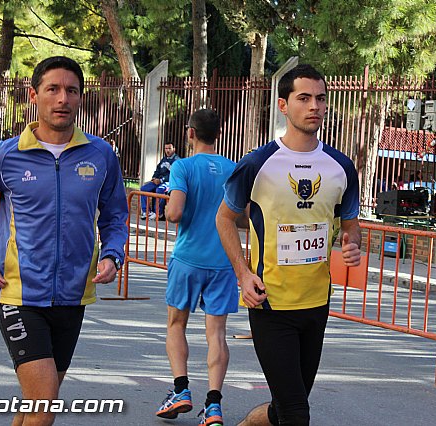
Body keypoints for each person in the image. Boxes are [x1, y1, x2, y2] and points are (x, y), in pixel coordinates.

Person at [0, 56, 128, 426]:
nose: (63, 98)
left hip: (74, 296)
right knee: (44, 404)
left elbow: (115, 215)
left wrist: (112, 254)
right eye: (53, 89)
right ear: (34, 95)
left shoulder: (101, 154)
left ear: (80, 98)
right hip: (19, 294)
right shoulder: (6, 155)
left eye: (71, 91)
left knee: (36, 404)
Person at [216, 64, 361, 425]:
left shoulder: (341, 167)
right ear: (283, 105)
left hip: (316, 304)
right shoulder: (257, 163)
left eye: (321, 99)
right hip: (271, 303)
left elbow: (351, 226)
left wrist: (352, 243)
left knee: (285, 407)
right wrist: (243, 274)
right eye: (304, 98)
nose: (314, 106)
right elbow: (224, 219)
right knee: (297, 414)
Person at [155, 109, 238, 425]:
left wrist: (167, 206)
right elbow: (241, 216)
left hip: (188, 258)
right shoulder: (233, 169)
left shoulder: (182, 166)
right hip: (223, 261)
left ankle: (181, 390)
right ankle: (214, 405)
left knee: (176, 324)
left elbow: (174, 213)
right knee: (217, 333)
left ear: (190, 133)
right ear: (218, 133)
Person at [140, 141, 180, 220]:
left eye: (169, 148)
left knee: (160, 190)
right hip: (158, 181)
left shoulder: (177, 161)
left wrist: (161, 180)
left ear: (174, 149)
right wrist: (154, 178)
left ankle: (158, 213)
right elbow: (157, 170)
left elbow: (173, 175)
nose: (167, 150)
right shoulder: (163, 159)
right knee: (144, 189)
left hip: (169, 182)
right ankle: (146, 212)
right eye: (166, 148)